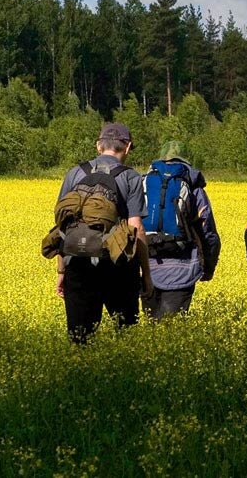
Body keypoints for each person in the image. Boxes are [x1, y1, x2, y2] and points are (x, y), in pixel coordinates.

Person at [49, 123, 152, 344]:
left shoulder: (75, 173)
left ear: (98, 146)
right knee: (126, 335)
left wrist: (61, 271)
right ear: (128, 147)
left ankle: (81, 375)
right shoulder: (131, 177)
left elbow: (63, 225)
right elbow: (136, 228)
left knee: (80, 338)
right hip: (118, 266)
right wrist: (146, 275)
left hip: (77, 262)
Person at [142, 141, 221, 319]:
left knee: (150, 331)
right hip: (182, 269)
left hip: (148, 267)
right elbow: (207, 229)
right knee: (172, 331)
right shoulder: (193, 188)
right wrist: (209, 266)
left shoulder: (145, 183)